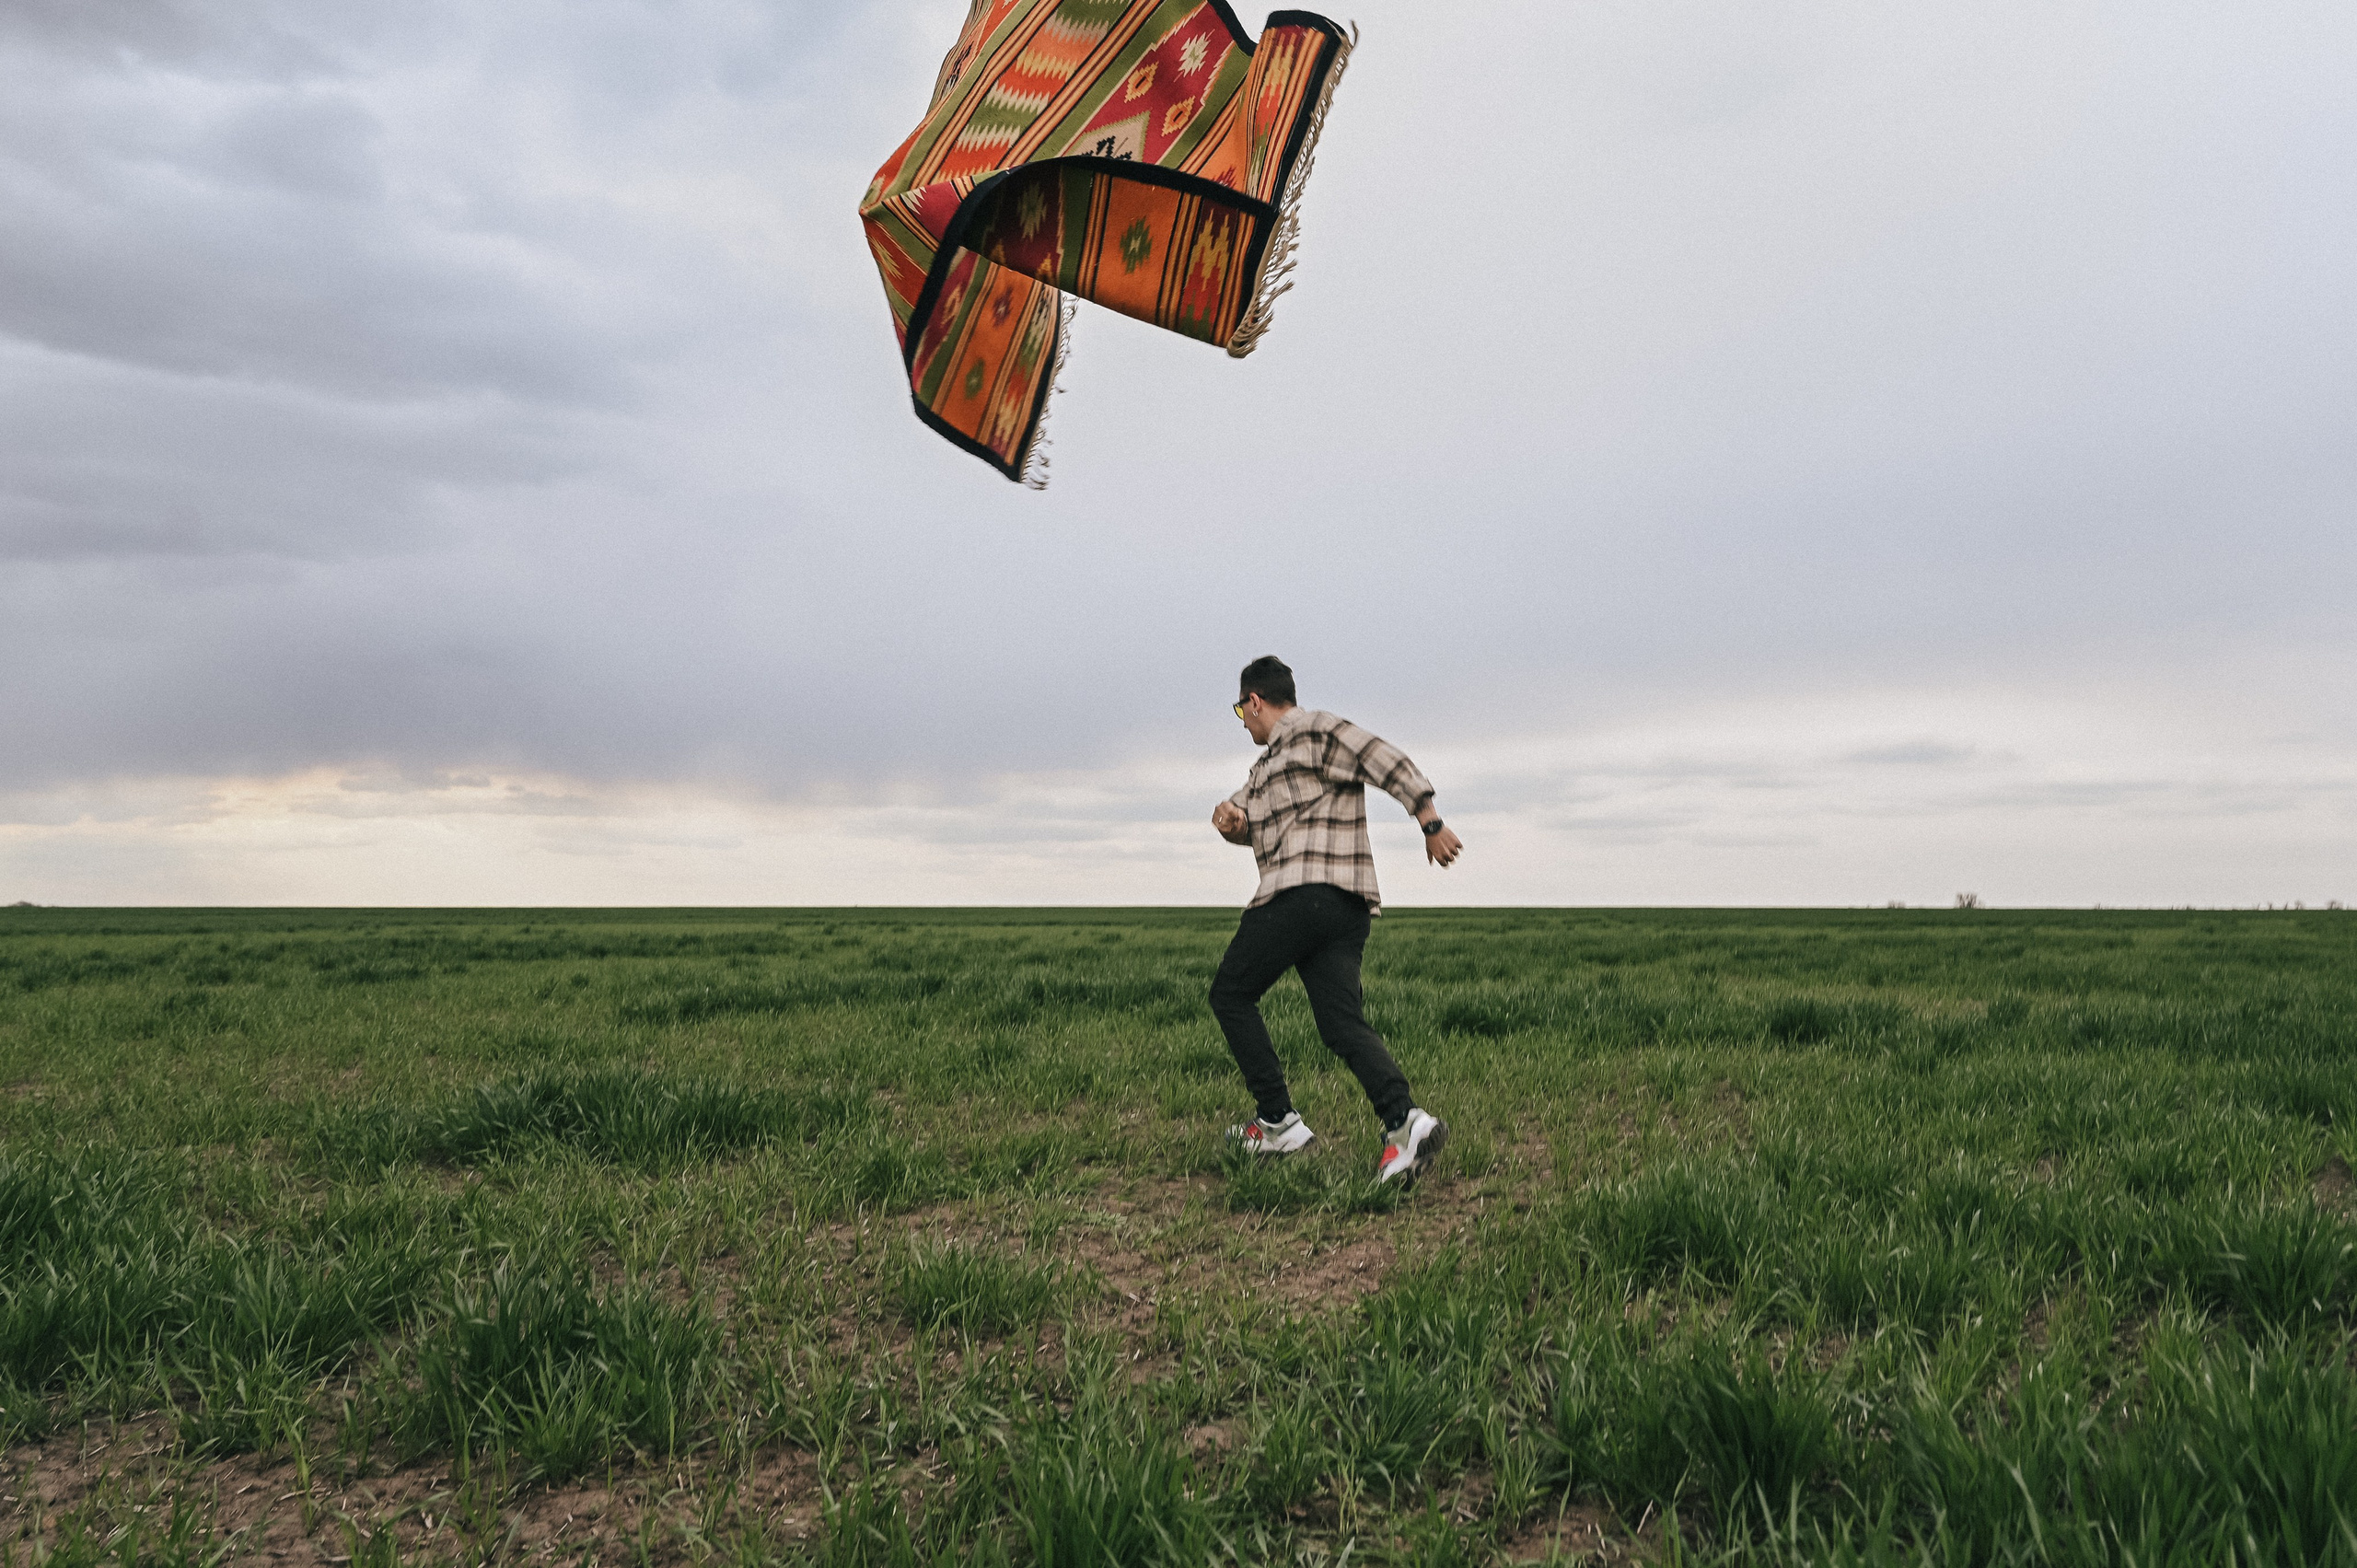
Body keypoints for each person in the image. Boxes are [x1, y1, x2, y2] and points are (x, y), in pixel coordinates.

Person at [1208, 656, 1463, 1185]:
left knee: (1230, 993)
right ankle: (1405, 1124)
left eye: (1241, 711)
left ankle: (1277, 1120)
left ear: (1255, 701)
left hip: (1304, 893)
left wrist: (1429, 820)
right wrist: (1231, 820)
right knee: (1340, 1023)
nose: (1243, 722)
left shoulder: (1316, 730)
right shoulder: (1264, 767)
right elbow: (1248, 816)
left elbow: (1383, 758)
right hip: (1342, 909)